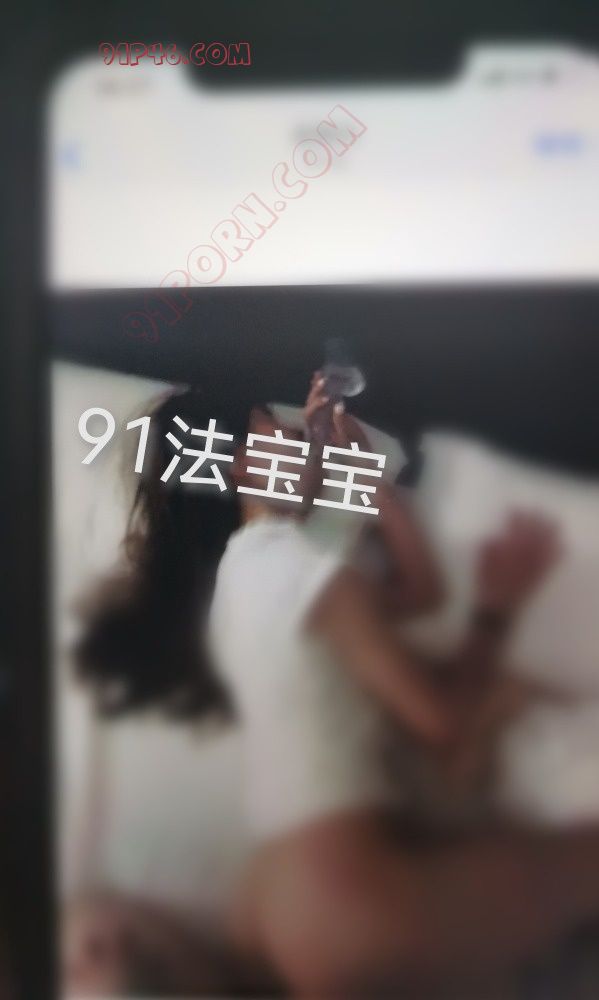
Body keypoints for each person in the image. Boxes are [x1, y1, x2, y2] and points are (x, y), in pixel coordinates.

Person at [76, 380, 599, 998]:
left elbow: (416, 595)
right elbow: (443, 722)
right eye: (282, 430)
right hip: (348, 903)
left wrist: (364, 476)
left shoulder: (241, 578)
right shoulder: (299, 571)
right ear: (240, 465)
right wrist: (496, 613)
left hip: (286, 906)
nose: (303, 439)